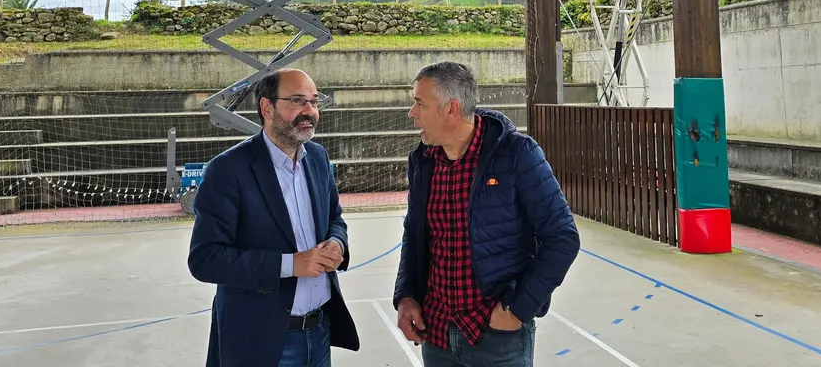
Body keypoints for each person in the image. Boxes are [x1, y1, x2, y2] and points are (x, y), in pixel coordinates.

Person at [393, 61, 580, 366]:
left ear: (451, 109)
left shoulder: (517, 154)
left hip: (496, 336)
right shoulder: (422, 161)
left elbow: (562, 238)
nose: (412, 113)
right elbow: (414, 234)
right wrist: (406, 295)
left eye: (419, 103)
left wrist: (519, 308)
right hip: (437, 333)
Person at [188, 68, 359, 367]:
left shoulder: (317, 158)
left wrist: (336, 242)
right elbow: (205, 258)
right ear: (267, 108)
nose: (310, 111)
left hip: (319, 335)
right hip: (262, 342)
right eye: (297, 101)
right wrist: (291, 264)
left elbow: (335, 218)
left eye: (314, 101)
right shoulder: (228, 170)